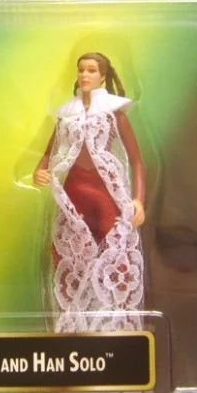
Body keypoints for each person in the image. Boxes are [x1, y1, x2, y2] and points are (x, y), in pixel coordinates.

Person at [33, 52, 146, 333]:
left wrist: (139, 200)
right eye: (81, 70)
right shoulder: (66, 115)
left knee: (114, 252)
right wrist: (40, 171)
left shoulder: (114, 114)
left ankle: (115, 325)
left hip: (105, 192)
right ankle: (74, 325)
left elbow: (136, 160)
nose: (85, 75)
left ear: (103, 77)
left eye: (92, 70)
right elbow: (48, 153)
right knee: (71, 256)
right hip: (73, 193)